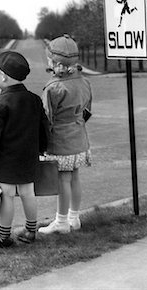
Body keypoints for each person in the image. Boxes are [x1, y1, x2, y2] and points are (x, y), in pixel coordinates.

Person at [0, 50, 49, 247]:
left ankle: (3, 236)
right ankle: (31, 231)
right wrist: (42, 150)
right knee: (28, 193)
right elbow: (44, 128)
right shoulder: (34, 99)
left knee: (7, 196)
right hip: (28, 159)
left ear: (3, 76)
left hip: (6, 162)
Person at [38, 34, 92, 234]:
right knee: (75, 177)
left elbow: (46, 118)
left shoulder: (54, 88)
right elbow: (87, 109)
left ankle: (61, 222)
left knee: (63, 179)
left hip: (60, 139)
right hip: (79, 137)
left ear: (54, 61)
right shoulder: (84, 82)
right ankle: (74, 218)